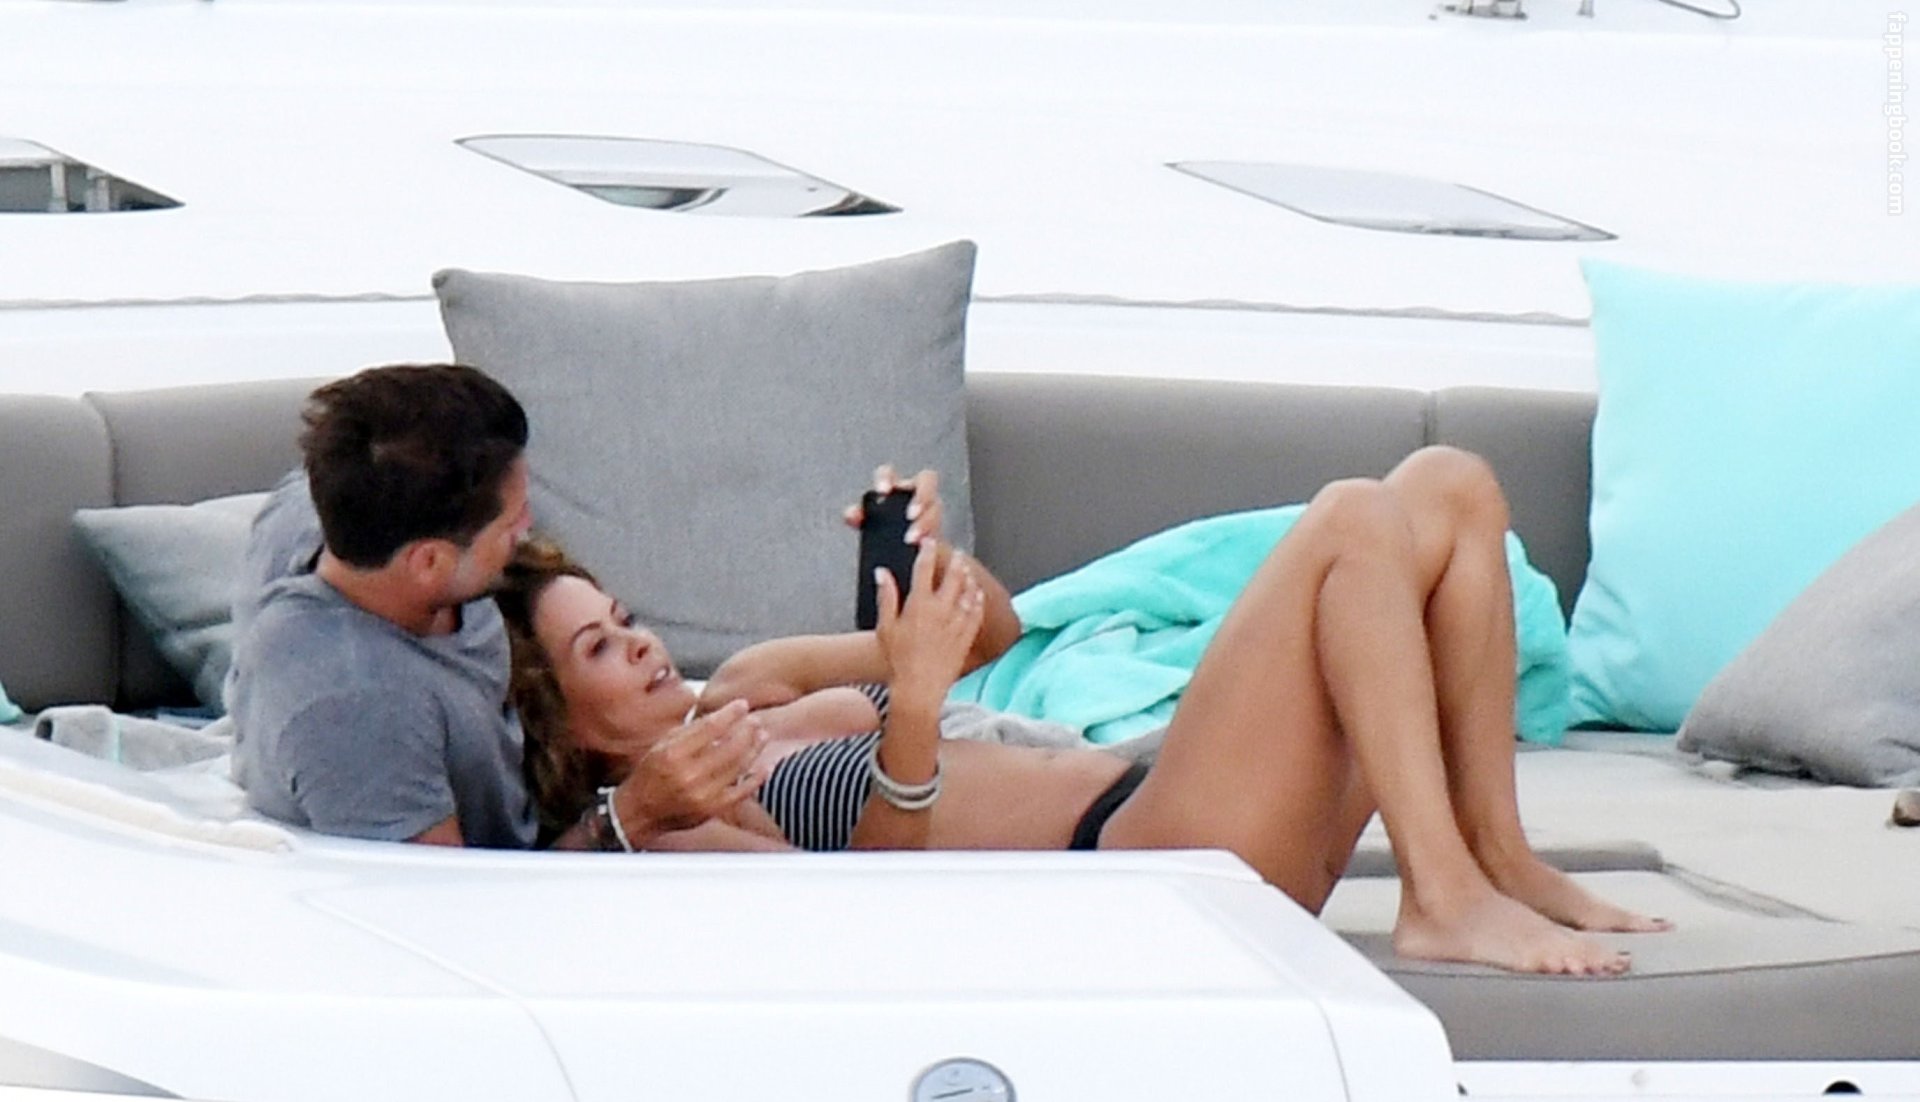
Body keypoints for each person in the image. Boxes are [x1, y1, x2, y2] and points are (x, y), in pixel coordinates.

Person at [497, 458, 1672, 976]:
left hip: (1180, 794)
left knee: (1452, 487)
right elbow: (869, 907)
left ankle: (1496, 855)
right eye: (599, 647)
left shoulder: (755, 683)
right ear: (560, 718)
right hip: (1154, 861)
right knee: (1356, 517)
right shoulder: (676, 820)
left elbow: (993, 634)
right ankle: (1439, 896)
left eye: (625, 614)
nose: (639, 642)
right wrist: (914, 710)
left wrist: (936, 563)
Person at [229, 363, 768, 850]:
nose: (527, 528)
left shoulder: (331, 507)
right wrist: (633, 816)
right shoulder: (361, 708)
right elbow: (446, 910)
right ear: (428, 561)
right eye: (510, 522)